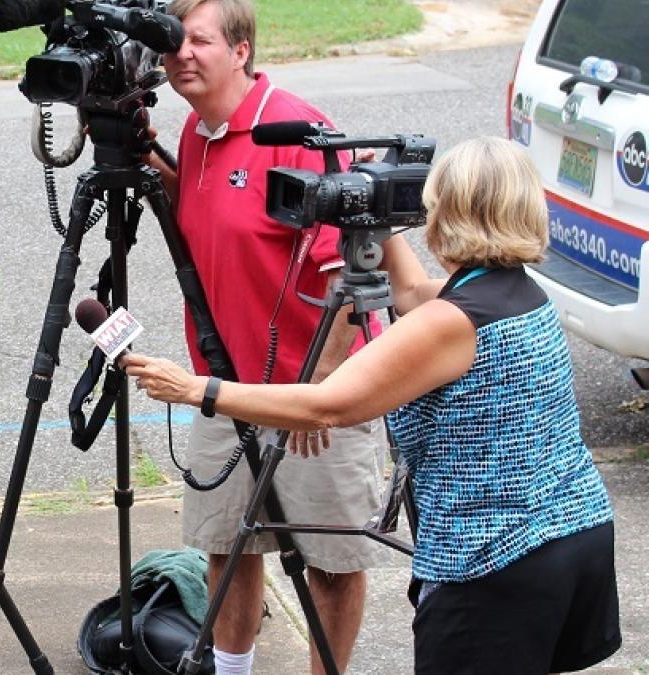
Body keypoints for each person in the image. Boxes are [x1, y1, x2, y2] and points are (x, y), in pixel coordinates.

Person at [125, 136, 621, 674]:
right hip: (572, 536)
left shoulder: (452, 323)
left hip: (495, 562)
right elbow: (408, 290)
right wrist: (369, 212)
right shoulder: (514, 292)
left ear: (447, 211)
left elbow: (330, 406)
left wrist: (196, 389)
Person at [140, 0, 389, 672]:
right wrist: (137, 149)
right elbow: (204, 212)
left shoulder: (296, 130)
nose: (181, 55)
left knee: (331, 563)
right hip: (227, 383)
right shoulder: (198, 131)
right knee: (228, 547)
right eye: (173, 44)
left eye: (199, 41)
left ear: (241, 51)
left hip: (317, 389)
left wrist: (320, 388)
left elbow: (349, 272)